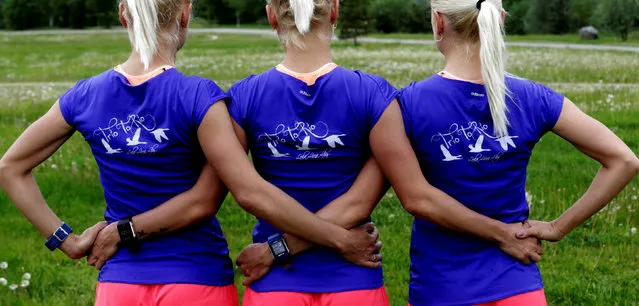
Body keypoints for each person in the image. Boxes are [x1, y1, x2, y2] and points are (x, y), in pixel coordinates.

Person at [0, 0, 382, 305]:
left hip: (120, 283)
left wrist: (67, 240)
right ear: (185, 14)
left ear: (123, 15)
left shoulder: (85, 95)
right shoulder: (199, 96)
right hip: (196, 277)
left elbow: (10, 167)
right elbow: (210, 200)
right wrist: (334, 239)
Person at [229, 1, 548, 305]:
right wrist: (336, 240)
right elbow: (359, 202)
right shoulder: (374, 96)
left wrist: (276, 249)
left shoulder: (243, 97)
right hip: (353, 281)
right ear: (335, 11)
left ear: (272, 16)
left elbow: (250, 192)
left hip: (275, 283)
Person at [398, 0, 639, 305]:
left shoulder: (408, 103)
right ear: (499, 20)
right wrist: (556, 228)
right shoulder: (533, 97)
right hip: (517, 286)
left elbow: (415, 197)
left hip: (441, 288)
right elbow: (624, 160)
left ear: (438, 22)